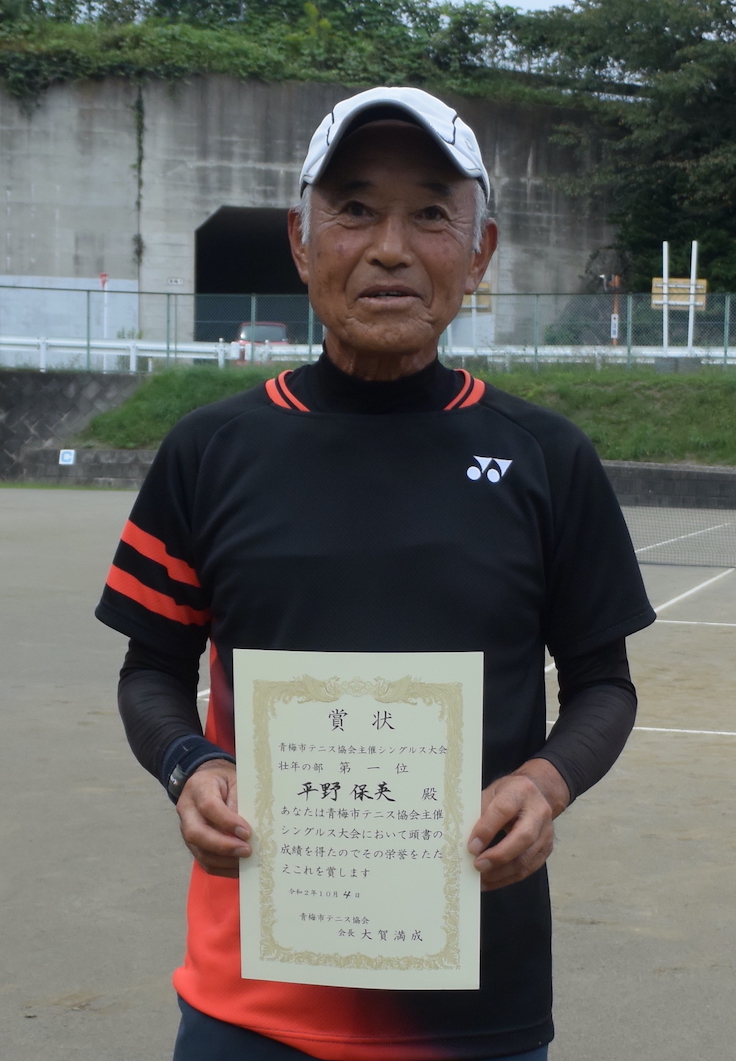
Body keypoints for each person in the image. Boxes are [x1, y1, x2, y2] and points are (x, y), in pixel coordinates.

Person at [96, 86, 656, 1061]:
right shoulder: (210, 450)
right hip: (246, 1004)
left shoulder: (545, 458)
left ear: (478, 252)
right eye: (354, 208)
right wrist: (191, 762)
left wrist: (546, 779)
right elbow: (151, 668)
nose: (389, 247)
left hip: (473, 1007)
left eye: (430, 213)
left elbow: (604, 684)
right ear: (300, 240)